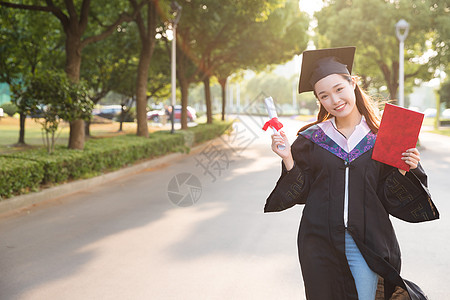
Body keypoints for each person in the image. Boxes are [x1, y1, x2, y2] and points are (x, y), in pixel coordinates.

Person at [264, 47, 439, 300]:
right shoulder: (312, 139)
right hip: (320, 242)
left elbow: (389, 199)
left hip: (367, 242)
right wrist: (288, 158)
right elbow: (301, 191)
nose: (334, 100)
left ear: (352, 83)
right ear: (319, 101)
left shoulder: (384, 138)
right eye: (324, 96)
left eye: (339, 89)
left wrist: (403, 168)